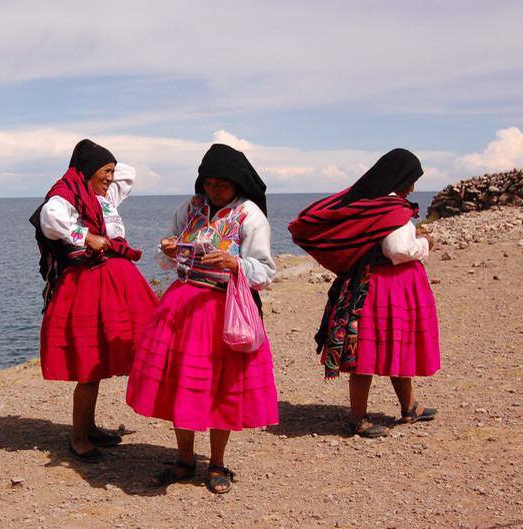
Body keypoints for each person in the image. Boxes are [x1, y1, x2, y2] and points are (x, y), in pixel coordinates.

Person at [126, 144, 278, 493]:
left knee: (223, 386)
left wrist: (235, 263)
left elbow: (265, 272)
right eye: (208, 183)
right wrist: (167, 249)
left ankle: (217, 463)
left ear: (238, 182)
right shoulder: (191, 207)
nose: (214, 190)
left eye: (221, 185)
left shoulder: (249, 215)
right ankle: (184, 460)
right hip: (182, 306)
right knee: (181, 381)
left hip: (223, 309)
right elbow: (168, 258)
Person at [288, 148, 440, 438]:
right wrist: (425, 245)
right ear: (400, 178)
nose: (412, 188)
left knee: (389, 346)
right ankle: (358, 418)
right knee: (368, 352)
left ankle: (410, 406)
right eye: (411, 180)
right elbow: (397, 250)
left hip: (371, 283)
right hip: (385, 287)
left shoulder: (369, 203)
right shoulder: (392, 209)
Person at [30, 139, 158, 463]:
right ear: (88, 171)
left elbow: (129, 173)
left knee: (100, 360)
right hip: (88, 283)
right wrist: (86, 236)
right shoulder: (68, 197)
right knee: (89, 363)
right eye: (106, 171)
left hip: (116, 283)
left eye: (112, 171)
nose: (112, 177)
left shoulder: (104, 196)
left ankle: (89, 427)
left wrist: (100, 165)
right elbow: (49, 219)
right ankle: (78, 438)